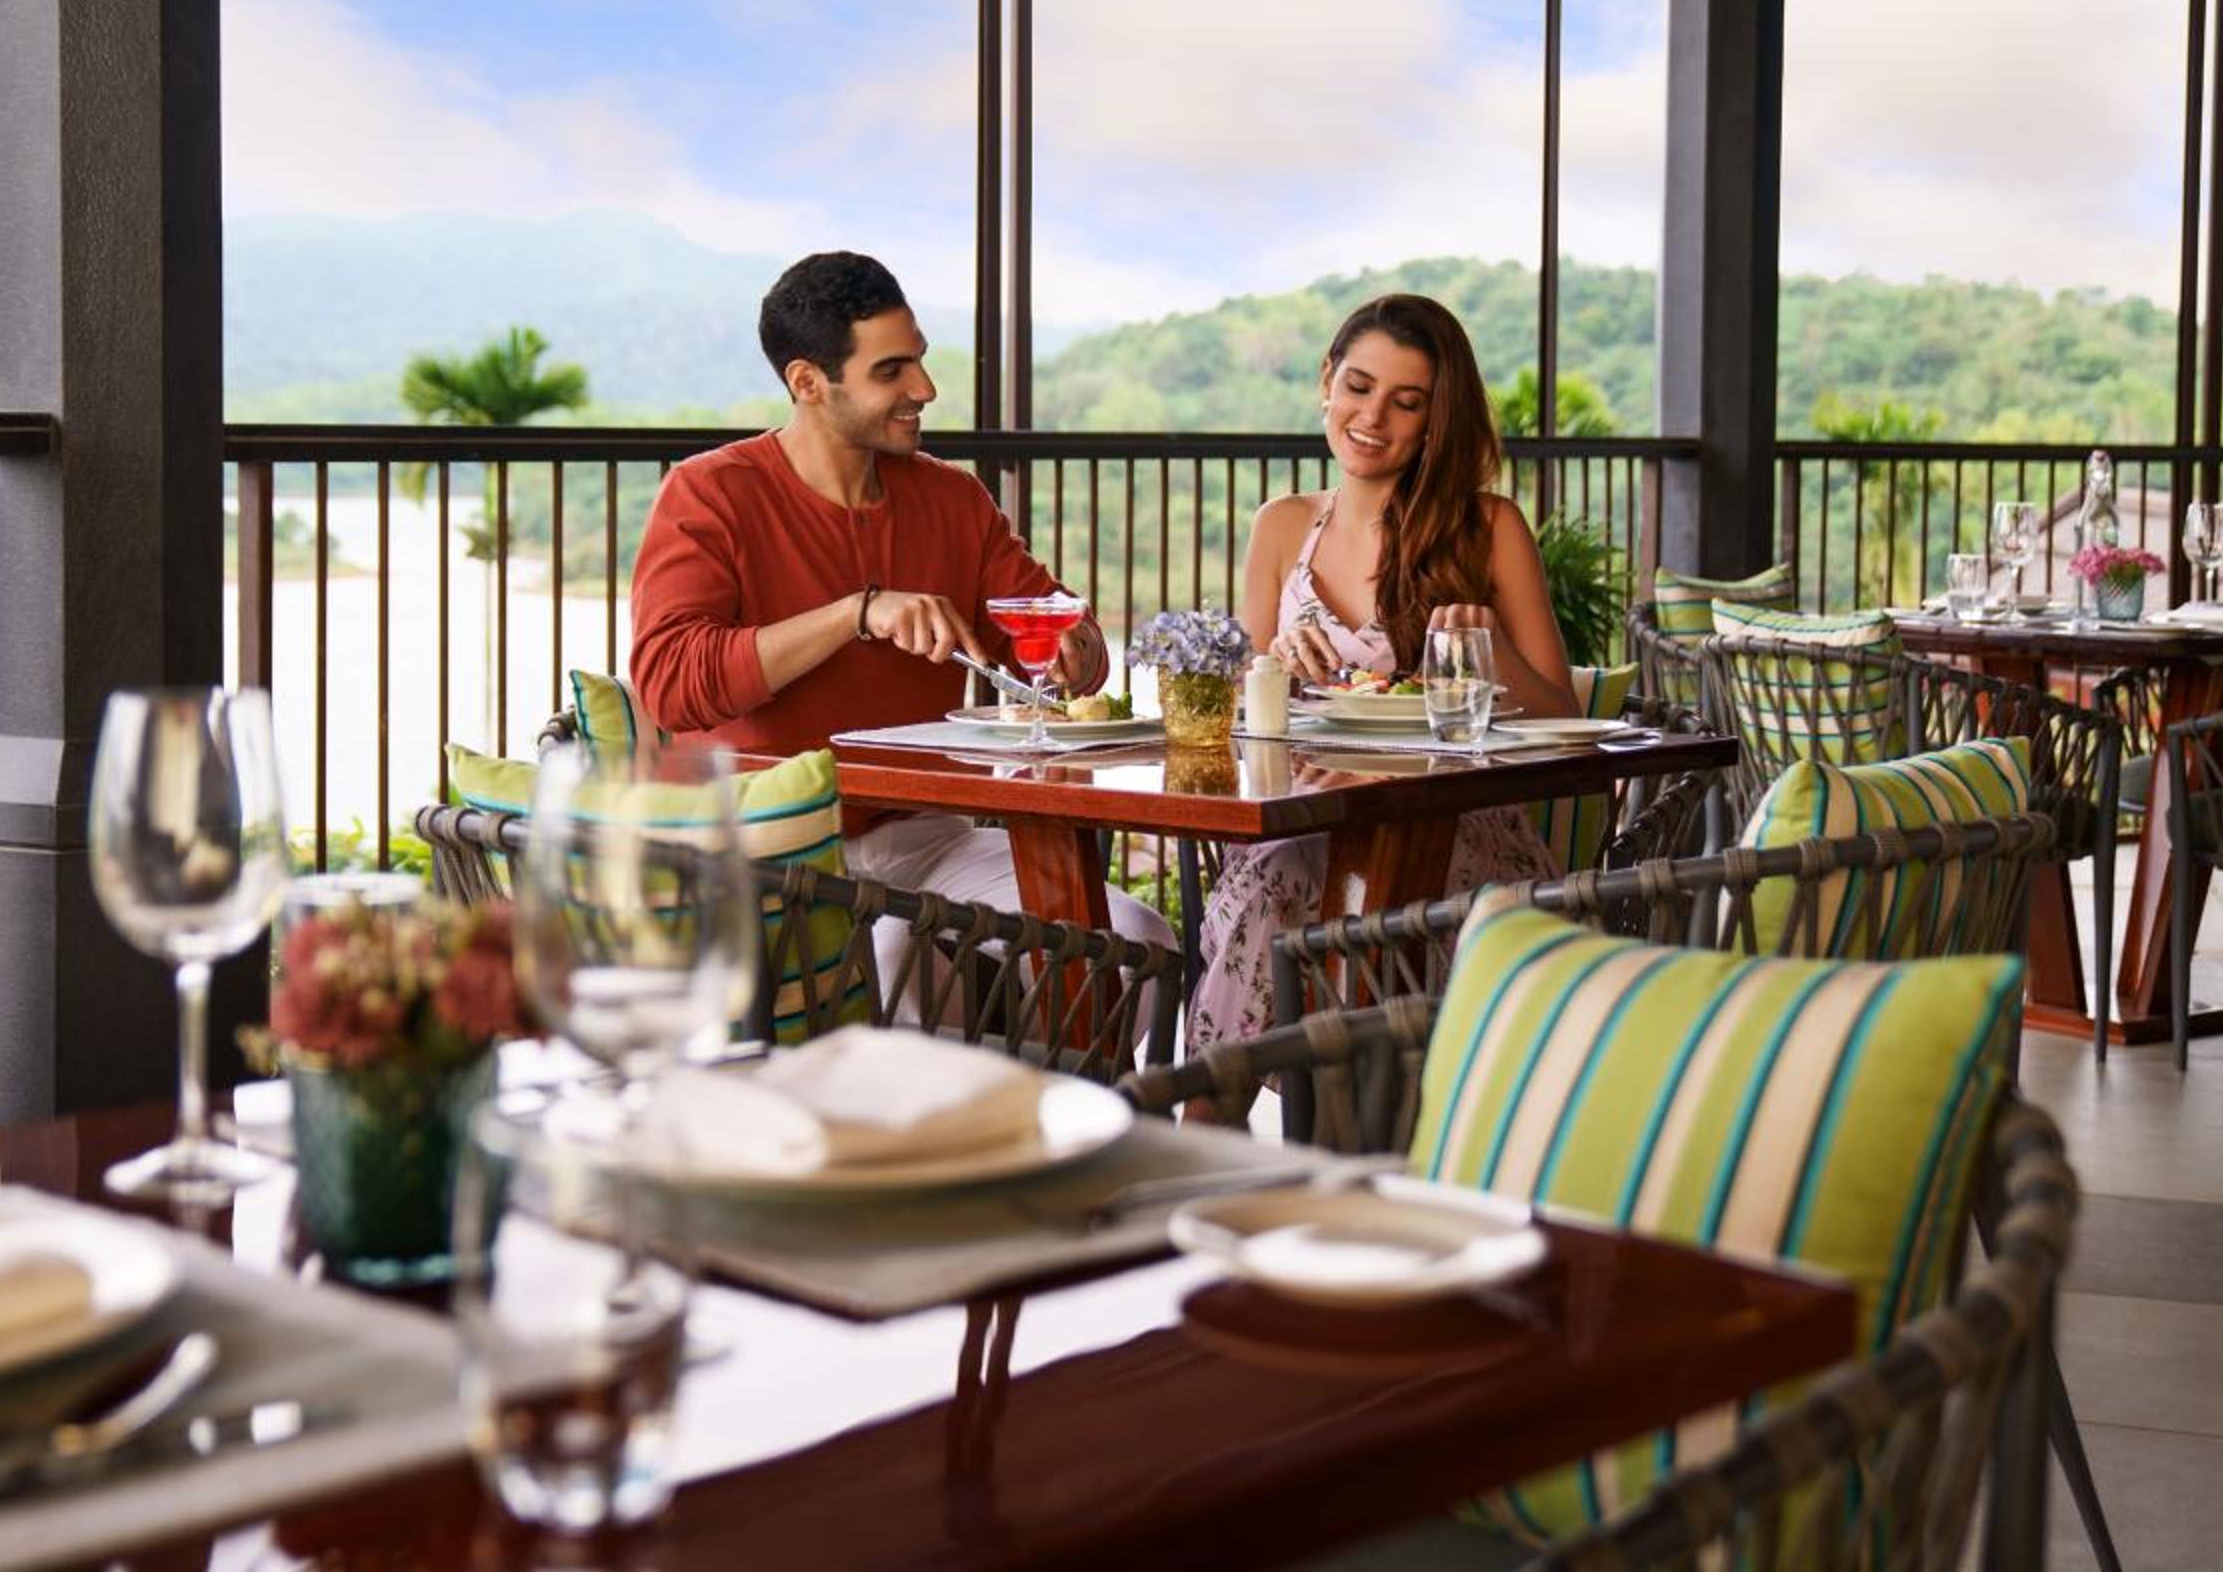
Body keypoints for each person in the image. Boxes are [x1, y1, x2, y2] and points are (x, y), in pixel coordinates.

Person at [630, 250, 1169, 947]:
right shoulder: (711, 493)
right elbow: (671, 684)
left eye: (919, 359)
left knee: (1132, 939)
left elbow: (1058, 629)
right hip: (768, 848)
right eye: (891, 371)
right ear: (808, 382)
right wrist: (857, 613)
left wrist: (1077, 649)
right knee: (894, 953)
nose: (925, 387)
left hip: (928, 838)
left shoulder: (952, 497)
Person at [1188, 292, 1577, 1052]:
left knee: (1312, 894)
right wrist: (1273, 666)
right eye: (1359, 387)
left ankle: (1298, 1100)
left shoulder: (1489, 527)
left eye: (1407, 402)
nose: (1372, 418)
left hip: (1449, 824)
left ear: (1435, 420)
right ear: (1326, 381)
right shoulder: (1281, 525)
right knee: (1274, 879)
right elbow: (1242, 715)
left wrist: (1487, 649)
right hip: (1305, 815)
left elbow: (1561, 711)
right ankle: (1219, 1108)